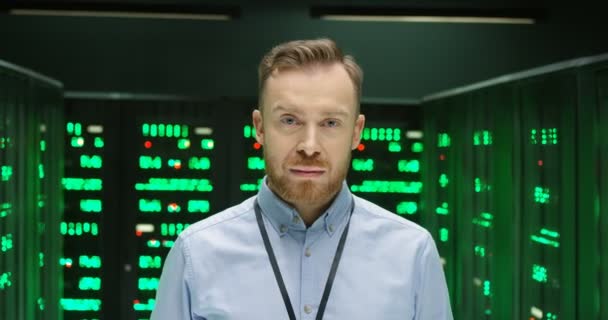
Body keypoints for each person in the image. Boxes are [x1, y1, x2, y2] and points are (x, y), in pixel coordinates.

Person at [151, 38, 453, 320]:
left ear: (357, 132)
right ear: (259, 127)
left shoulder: (412, 253)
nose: (309, 145)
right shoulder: (196, 253)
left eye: (330, 123)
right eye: (290, 120)